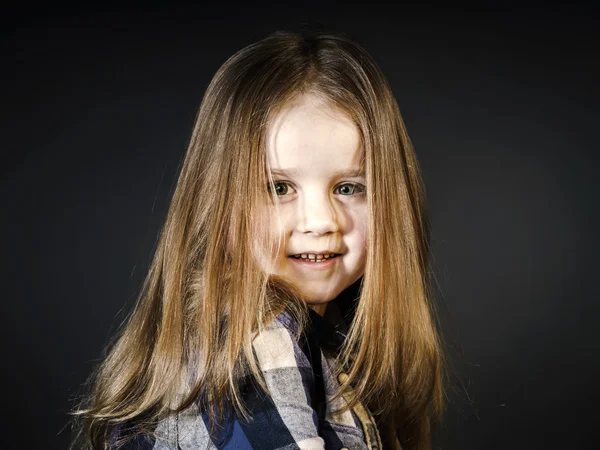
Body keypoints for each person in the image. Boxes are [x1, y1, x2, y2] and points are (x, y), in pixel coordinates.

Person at [70, 29, 445, 450]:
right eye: (279, 188)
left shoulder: (320, 339)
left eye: (349, 187)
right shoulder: (259, 343)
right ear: (217, 201)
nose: (321, 221)